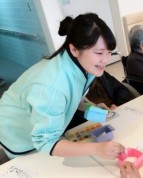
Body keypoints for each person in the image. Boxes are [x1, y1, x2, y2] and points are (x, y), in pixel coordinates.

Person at [0, 13, 125, 160]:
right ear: (74, 50)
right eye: (99, 53)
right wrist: (97, 149)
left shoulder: (82, 65)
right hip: (17, 132)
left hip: (40, 124)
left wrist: (93, 108)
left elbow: (73, 96)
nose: (105, 59)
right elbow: (45, 142)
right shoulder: (53, 87)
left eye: (109, 52)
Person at [66, 70, 135, 131]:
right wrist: (96, 114)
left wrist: (117, 105)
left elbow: (121, 89)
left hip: (115, 115)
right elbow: (74, 113)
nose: (104, 60)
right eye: (99, 54)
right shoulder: (68, 85)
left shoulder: (100, 74)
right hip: (93, 125)